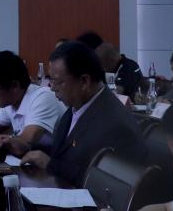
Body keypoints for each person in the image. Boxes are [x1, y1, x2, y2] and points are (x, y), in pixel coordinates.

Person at [20, 41, 147, 185]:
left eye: (57, 82)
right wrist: (29, 149)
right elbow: (65, 151)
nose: (52, 88)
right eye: (51, 81)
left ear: (85, 81)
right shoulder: (78, 105)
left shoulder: (116, 125)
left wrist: (51, 165)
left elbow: (104, 182)